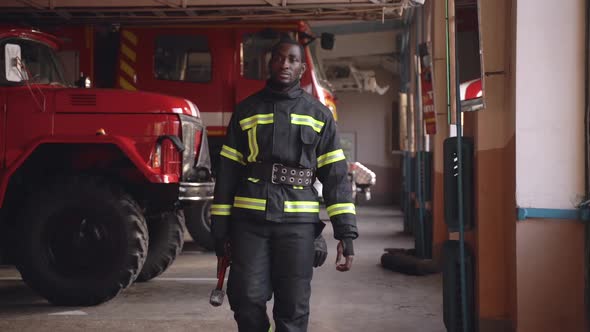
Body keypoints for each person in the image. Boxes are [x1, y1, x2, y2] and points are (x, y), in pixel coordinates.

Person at [211, 37, 358, 332]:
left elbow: (335, 176)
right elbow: (226, 173)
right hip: (250, 222)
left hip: (298, 225)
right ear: (270, 62)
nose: (285, 64)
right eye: (279, 58)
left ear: (302, 68)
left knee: (293, 304)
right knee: (245, 298)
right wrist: (220, 226)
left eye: (292, 60)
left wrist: (346, 232)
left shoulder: (319, 115)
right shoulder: (246, 111)